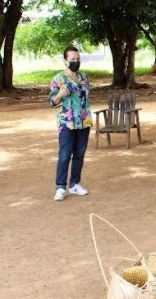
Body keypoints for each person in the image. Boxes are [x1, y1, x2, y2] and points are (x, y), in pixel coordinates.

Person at [48, 46, 92, 202]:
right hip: (66, 123)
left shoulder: (85, 78)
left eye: (77, 59)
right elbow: (51, 102)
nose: (75, 62)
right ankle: (60, 187)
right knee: (65, 155)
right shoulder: (59, 79)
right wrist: (60, 94)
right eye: (72, 59)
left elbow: (85, 98)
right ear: (65, 61)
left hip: (84, 122)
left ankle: (74, 184)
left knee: (79, 154)